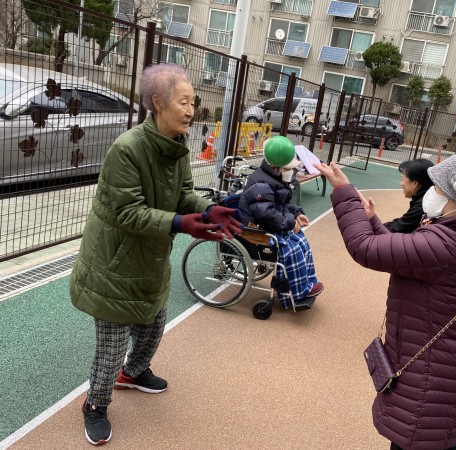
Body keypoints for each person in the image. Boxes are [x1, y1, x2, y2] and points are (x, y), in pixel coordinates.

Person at [69, 63, 242, 446]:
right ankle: (95, 405)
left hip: (150, 257)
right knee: (111, 348)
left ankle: (135, 372)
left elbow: (184, 194)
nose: (191, 110)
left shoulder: (177, 147)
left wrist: (207, 208)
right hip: (115, 262)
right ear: (158, 102)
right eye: (184, 102)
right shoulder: (127, 149)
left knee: (153, 325)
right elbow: (126, 213)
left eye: (193, 103)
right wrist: (181, 223)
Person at [316, 146, 456, 450]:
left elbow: (364, 248)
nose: (431, 193)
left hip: (437, 380)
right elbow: (405, 253)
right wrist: (371, 221)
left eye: (438, 187)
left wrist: (343, 192)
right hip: (453, 373)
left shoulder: (446, 242)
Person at [237, 136, 323, 308]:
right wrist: (291, 222)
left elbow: (280, 206)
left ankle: (307, 282)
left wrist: (296, 213)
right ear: (276, 168)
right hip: (257, 231)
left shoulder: (273, 179)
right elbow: (267, 214)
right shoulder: (261, 184)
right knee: (291, 249)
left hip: (268, 225)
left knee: (301, 241)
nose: (291, 171)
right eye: (287, 168)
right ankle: (297, 292)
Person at [369, 158, 434, 234]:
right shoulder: (427, 199)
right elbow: (403, 221)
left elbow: (397, 229)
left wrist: (371, 223)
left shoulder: (422, 206)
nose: (401, 183)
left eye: (402, 179)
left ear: (415, 184)